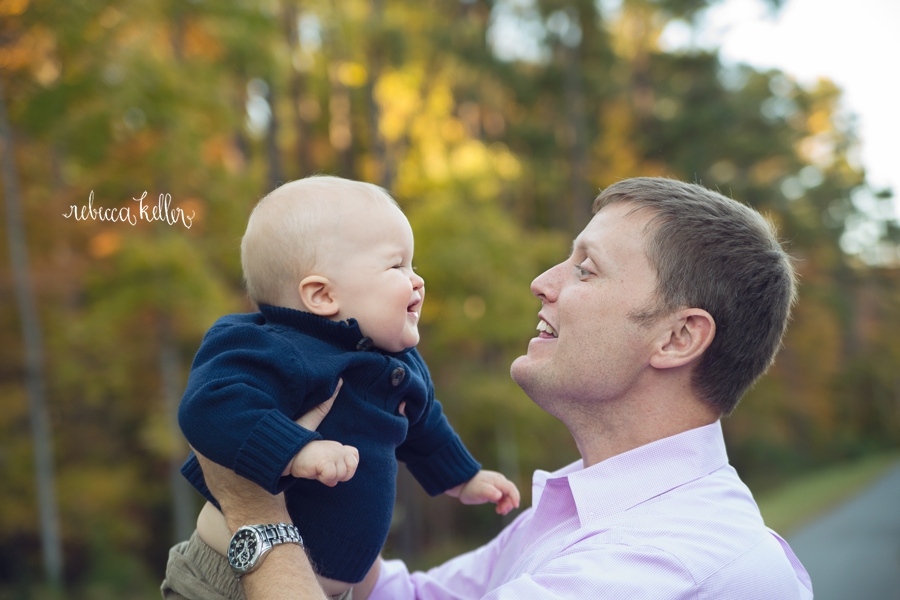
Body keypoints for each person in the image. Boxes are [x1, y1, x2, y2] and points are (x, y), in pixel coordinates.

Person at [169, 176, 815, 599]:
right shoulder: (571, 520)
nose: (543, 280)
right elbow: (409, 598)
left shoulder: (663, 565)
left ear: (677, 339)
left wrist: (257, 511)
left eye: (586, 269)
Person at [162, 176, 519, 600]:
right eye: (397, 266)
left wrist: (463, 476)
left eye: (414, 266)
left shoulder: (398, 365)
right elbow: (210, 405)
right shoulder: (274, 346)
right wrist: (296, 450)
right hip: (226, 577)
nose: (417, 280)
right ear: (321, 295)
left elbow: (424, 423)